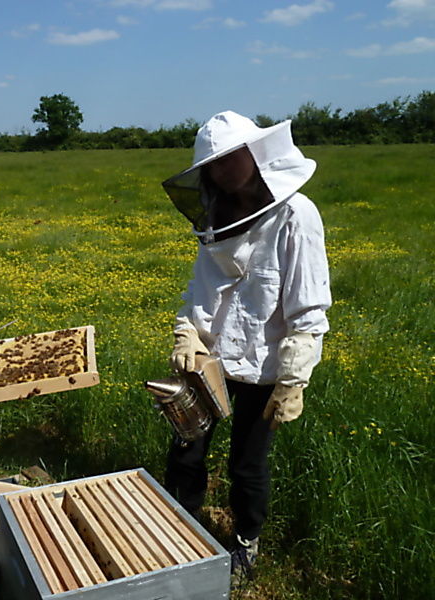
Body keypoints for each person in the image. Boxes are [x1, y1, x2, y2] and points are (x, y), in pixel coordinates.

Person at [161, 111, 331, 580]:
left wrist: (293, 381)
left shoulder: (296, 215)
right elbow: (202, 289)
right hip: (209, 359)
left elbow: (308, 307)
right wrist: (188, 333)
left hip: (266, 365)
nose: (220, 171)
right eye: (212, 164)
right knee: (185, 450)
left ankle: (244, 543)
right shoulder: (215, 213)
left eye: (229, 159)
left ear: (255, 155)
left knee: (247, 465)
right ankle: (180, 528)